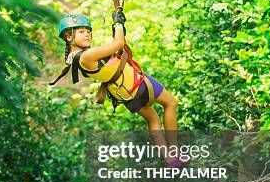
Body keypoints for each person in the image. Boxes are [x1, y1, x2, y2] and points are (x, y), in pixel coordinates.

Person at [54, 11, 185, 167]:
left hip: (124, 93)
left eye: (88, 31)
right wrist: (118, 24)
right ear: (69, 37)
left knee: (153, 119)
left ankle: (170, 159)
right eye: (81, 32)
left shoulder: (75, 58)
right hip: (137, 83)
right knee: (171, 103)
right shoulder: (87, 56)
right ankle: (175, 152)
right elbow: (119, 44)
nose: (87, 34)